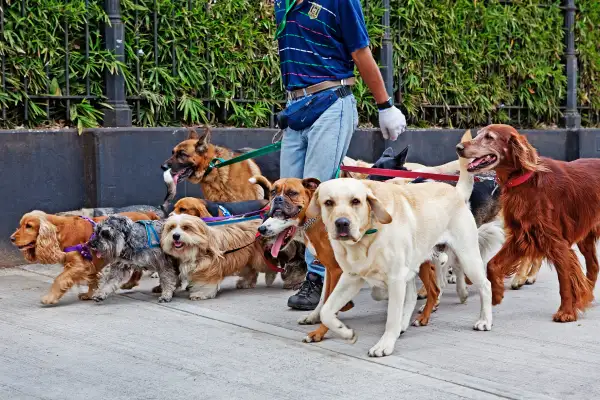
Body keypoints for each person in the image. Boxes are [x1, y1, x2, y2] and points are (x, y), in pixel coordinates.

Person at [275, 0, 407, 310]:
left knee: (321, 195)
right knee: (290, 198)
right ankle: (327, 268)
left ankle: (321, 277)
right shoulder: (282, 3)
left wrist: (385, 106)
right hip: (296, 107)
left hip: (331, 100)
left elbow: (361, 52)